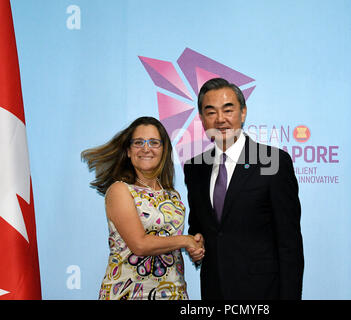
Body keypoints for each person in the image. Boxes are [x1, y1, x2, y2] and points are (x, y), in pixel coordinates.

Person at [184, 78, 304, 300]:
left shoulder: (273, 162)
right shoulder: (194, 168)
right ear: (201, 119)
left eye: (228, 110)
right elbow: (199, 226)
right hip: (214, 291)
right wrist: (195, 243)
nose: (220, 119)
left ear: (243, 112)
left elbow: (290, 244)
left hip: (263, 293)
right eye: (210, 112)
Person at [81, 116, 204, 300]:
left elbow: (172, 245)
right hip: (129, 293)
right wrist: (185, 241)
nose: (146, 148)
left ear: (164, 150)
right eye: (138, 142)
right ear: (129, 151)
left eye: (154, 142)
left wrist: (196, 246)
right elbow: (140, 244)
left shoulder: (172, 196)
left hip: (173, 293)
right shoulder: (120, 190)